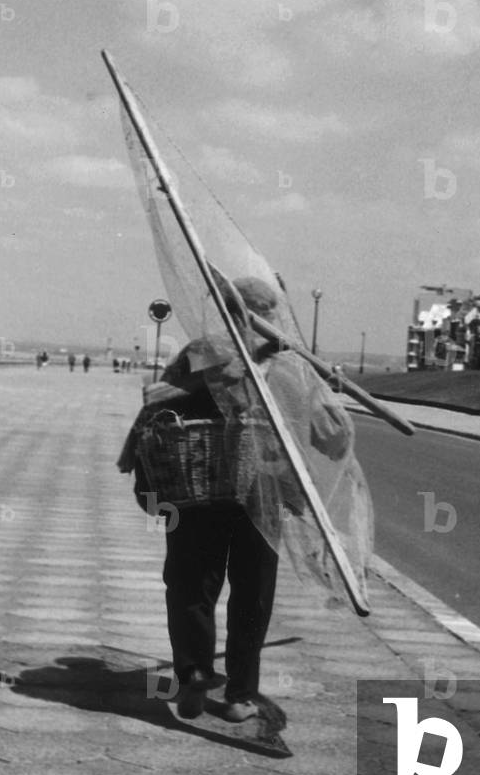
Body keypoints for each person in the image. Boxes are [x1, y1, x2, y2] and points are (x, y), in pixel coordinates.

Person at [119, 276, 354, 723]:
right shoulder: (290, 365)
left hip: (195, 486)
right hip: (260, 491)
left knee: (190, 584)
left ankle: (192, 677)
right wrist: (329, 392)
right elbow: (332, 437)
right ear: (268, 316)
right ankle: (241, 694)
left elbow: (154, 416)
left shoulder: (201, 353)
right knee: (253, 592)